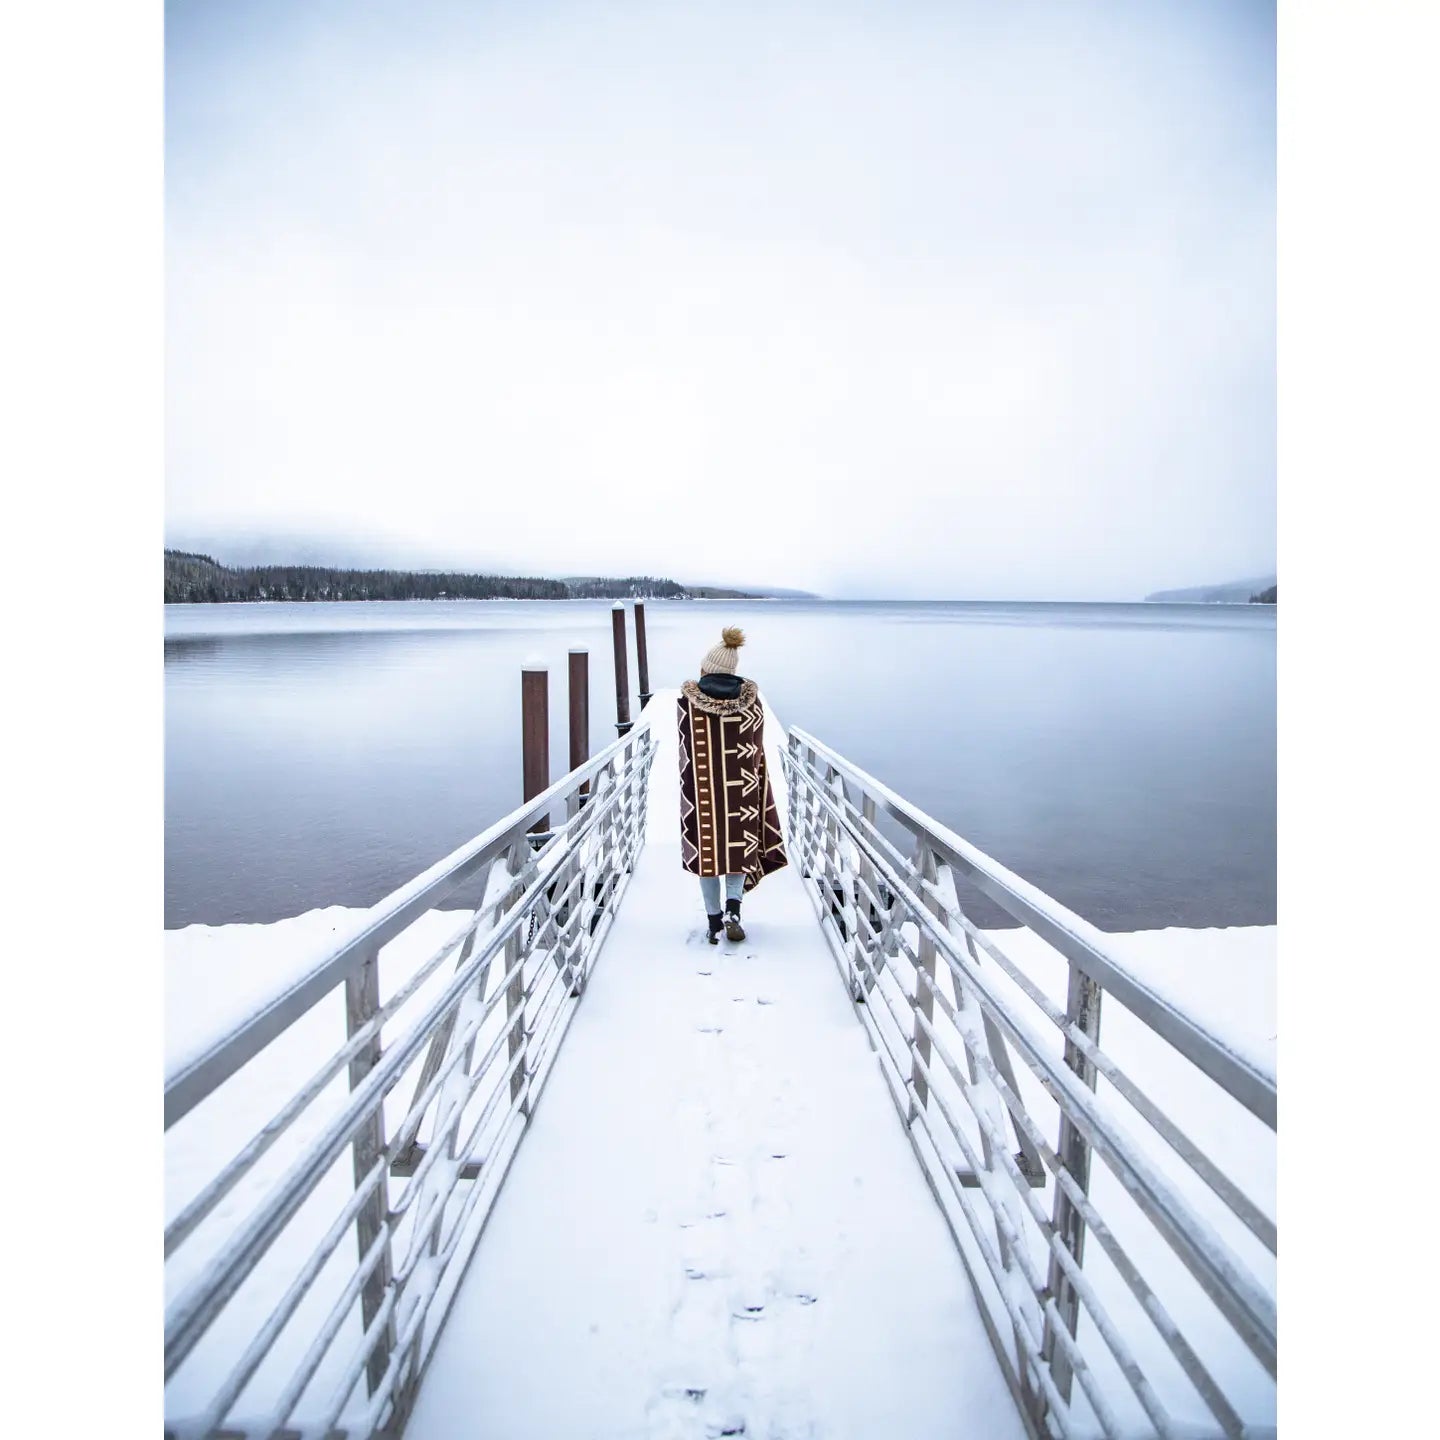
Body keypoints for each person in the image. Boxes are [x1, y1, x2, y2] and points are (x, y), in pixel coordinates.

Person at [677, 626, 788, 944]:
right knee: (737, 848)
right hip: (742, 789)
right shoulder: (752, 704)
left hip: (702, 792)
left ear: (706, 668)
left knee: (708, 851)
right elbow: (756, 747)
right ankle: (734, 909)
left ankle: (713, 920)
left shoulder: (688, 704)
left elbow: (686, 748)